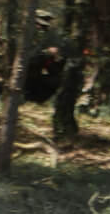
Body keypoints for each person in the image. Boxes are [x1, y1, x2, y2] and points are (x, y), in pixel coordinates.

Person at [21, 9, 84, 140]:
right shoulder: (45, 36)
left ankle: (64, 134)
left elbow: (55, 58)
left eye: (41, 24)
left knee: (63, 104)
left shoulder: (54, 37)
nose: (39, 27)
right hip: (59, 74)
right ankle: (66, 133)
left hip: (67, 74)